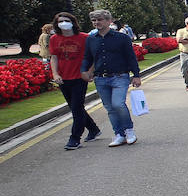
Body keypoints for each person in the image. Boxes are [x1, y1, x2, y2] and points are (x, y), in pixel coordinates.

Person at [81, 9, 142, 147]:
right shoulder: (91, 39)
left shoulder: (122, 38)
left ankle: (129, 131)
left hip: (119, 76)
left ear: (109, 21)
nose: (97, 22)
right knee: (109, 108)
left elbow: (131, 58)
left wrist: (136, 75)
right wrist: (84, 70)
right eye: (94, 20)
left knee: (118, 104)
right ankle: (119, 134)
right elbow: (87, 57)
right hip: (100, 78)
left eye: (100, 19)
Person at [46, 11, 100, 149]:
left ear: (73, 22)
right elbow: (54, 57)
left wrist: (89, 72)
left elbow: (95, 57)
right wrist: (55, 74)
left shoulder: (85, 38)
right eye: (60, 21)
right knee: (76, 107)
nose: (63, 23)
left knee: (76, 108)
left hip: (79, 77)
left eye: (66, 20)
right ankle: (93, 129)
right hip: (64, 78)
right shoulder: (54, 39)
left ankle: (75, 138)